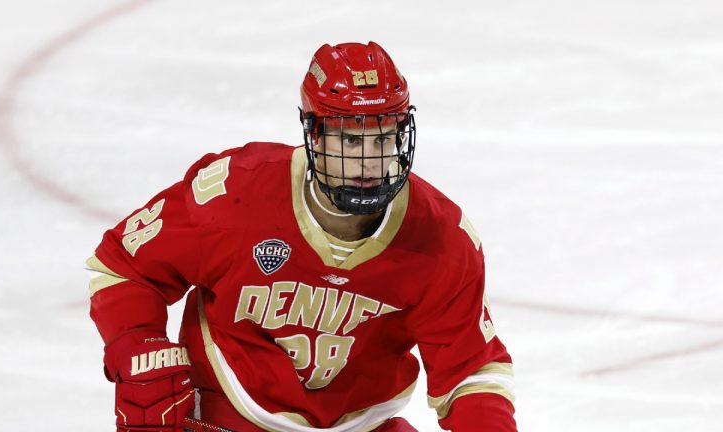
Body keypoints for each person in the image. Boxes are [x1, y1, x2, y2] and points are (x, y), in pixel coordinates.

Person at [87, 41, 517, 432]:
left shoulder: (441, 237)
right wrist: (137, 341)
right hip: (227, 415)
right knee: (149, 402)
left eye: (383, 139)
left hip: (358, 426)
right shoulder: (235, 193)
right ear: (314, 135)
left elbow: (471, 374)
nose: (369, 163)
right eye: (350, 142)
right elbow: (124, 265)